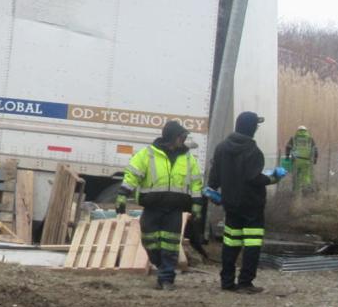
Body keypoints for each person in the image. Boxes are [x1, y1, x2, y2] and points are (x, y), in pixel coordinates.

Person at [116, 120, 204, 290]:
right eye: (181, 137)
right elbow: (132, 176)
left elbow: (196, 183)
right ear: (172, 137)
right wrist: (122, 195)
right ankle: (161, 266)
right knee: (150, 242)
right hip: (152, 207)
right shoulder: (147, 155)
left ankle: (166, 279)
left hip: (175, 208)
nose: (183, 140)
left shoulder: (188, 158)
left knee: (170, 245)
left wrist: (197, 205)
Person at [209, 110, 285, 294]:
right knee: (252, 244)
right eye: (256, 126)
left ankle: (226, 282)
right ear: (251, 128)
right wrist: (274, 177)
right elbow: (254, 178)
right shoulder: (253, 151)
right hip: (252, 205)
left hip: (231, 204)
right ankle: (245, 283)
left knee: (231, 243)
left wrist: (214, 193)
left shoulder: (221, 148)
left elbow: (214, 178)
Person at [286, 125, 317, 193]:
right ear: (306, 131)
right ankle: (306, 189)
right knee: (306, 175)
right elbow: (315, 149)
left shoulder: (293, 138)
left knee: (296, 176)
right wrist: (315, 159)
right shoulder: (310, 139)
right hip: (306, 161)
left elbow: (288, 147)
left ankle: (296, 192)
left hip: (296, 161)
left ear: (298, 131)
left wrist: (287, 157)